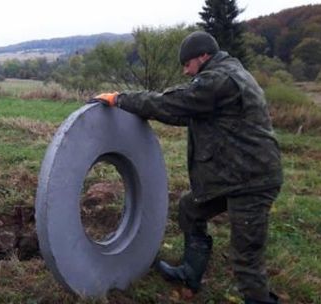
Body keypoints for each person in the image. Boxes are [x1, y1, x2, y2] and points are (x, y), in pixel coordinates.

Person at [90, 31, 283, 304]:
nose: (185, 70)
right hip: (233, 175)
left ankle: (259, 299)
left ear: (203, 56)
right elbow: (182, 112)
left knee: (246, 257)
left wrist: (120, 99)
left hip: (251, 181)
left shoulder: (219, 80)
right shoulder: (229, 73)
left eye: (188, 64)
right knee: (190, 209)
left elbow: (172, 103)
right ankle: (190, 273)